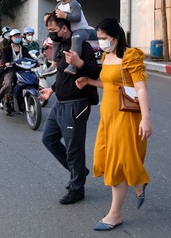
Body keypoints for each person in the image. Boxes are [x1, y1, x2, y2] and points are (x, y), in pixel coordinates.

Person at [76, 18, 151, 231]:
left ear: (116, 37)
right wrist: (89, 81)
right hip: (107, 116)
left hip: (126, 116)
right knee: (108, 157)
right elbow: (110, 83)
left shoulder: (130, 56)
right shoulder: (106, 55)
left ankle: (115, 214)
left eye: (104, 38)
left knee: (117, 163)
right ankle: (138, 182)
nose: (101, 42)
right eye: (98, 38)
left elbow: (141, 88)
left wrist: (146, 119)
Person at [38, 13, 100, 205]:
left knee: (74, 149)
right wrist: (52, 89)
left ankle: (77, 188)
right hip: (60, 103)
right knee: (48, 139)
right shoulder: (63, 47)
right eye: (49, 31)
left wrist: (79, 63)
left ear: (65, 28)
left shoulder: (82, 47)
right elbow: (62, 75)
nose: (51, 35)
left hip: (77, 103)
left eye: (54, 30)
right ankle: (78, 170)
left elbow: (96, 71)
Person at [51, 0, 90, 75]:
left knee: (76, 38)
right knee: (55, 40)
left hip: (82, 30)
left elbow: (77, 18)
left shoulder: (73, 3)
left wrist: (65, 16)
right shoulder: (59, 5)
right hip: (70, 31)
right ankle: (53, 64)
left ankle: (72, 65)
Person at [0, 29, 33, 114]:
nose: (17, 37)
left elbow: (29, 57)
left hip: (22, 69)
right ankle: (6, 101)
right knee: (8, 83)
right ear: (11, 38)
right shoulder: (6, 49)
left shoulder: (23, 49)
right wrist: (7, 63)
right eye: (15, 36)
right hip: (10, 69)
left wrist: (36, 61)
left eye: (18, 36)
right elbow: (4, 60)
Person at [0, 26, 12, 98]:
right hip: (4, 64)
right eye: (6, 33)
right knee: (0, 74)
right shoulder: (1, 44)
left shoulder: (15, 43)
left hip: (14, 64)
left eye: (9, 33)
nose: (8, 35)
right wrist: (4, 63)